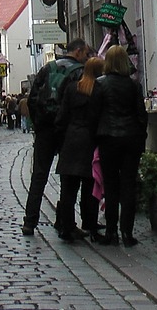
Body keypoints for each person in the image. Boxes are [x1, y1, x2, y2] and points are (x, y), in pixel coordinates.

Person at [21, 38, 89, 236]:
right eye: (85, 53)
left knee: (39, 176)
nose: (86, 57)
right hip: (66, 131)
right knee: (68, 178)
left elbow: (32, 98)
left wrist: (39, 124)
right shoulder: (78, 71)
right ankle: (64, 223)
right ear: (77, 52)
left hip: (44, 130)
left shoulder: (47, 68)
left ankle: (29, 221)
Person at [89, 44, 149, 247]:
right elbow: (141, 115)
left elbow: (94, 114)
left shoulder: (100, 84)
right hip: (130, 139)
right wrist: (141, 138)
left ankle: (111, 232)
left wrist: (95, 138)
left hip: (108, 139)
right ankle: (127, 233)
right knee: (128, 186)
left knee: (111, 187)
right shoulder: (134, 86)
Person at [56, 56, 105, 242]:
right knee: (89, 188)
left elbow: (62, 117)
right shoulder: (99, 91)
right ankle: (90, 224)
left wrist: (61, 142)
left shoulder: (72, 88)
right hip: (89, 142)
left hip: (71, 141)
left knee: (68, 189)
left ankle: (67, 227)